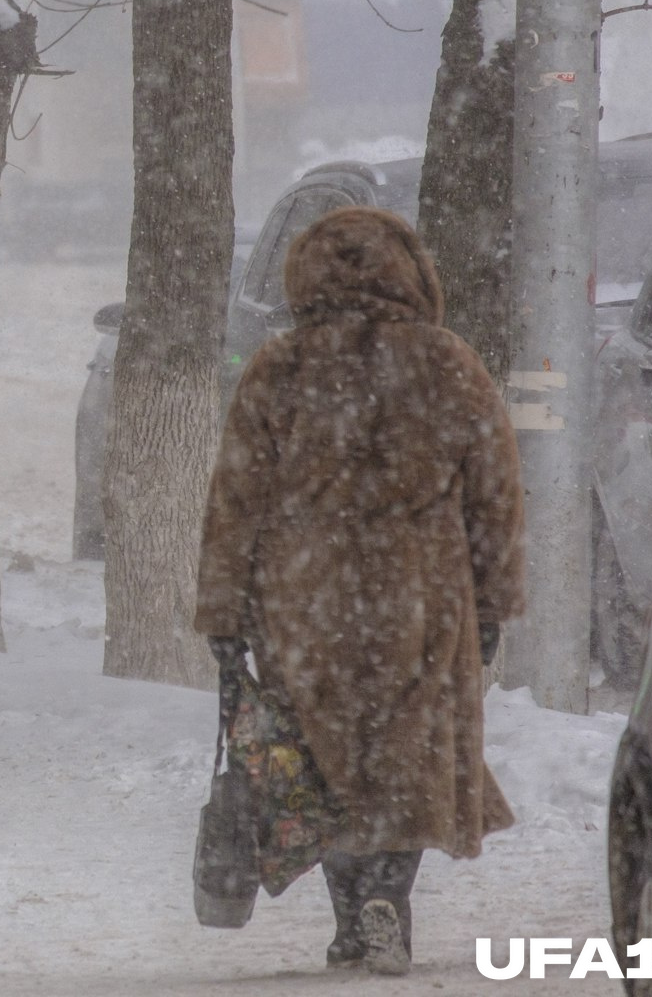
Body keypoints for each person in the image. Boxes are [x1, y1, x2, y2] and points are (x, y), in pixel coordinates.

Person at [194, 206, 525, 976]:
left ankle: (350, 914)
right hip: (423, 598)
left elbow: (235, 498)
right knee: (406, 759)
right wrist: (492, 601)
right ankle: (388, 900)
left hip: (304, 603)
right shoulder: (448, 364)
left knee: (322, 760)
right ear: (411, 273)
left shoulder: (278, 368)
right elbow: (496, 494)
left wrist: (224, 612)